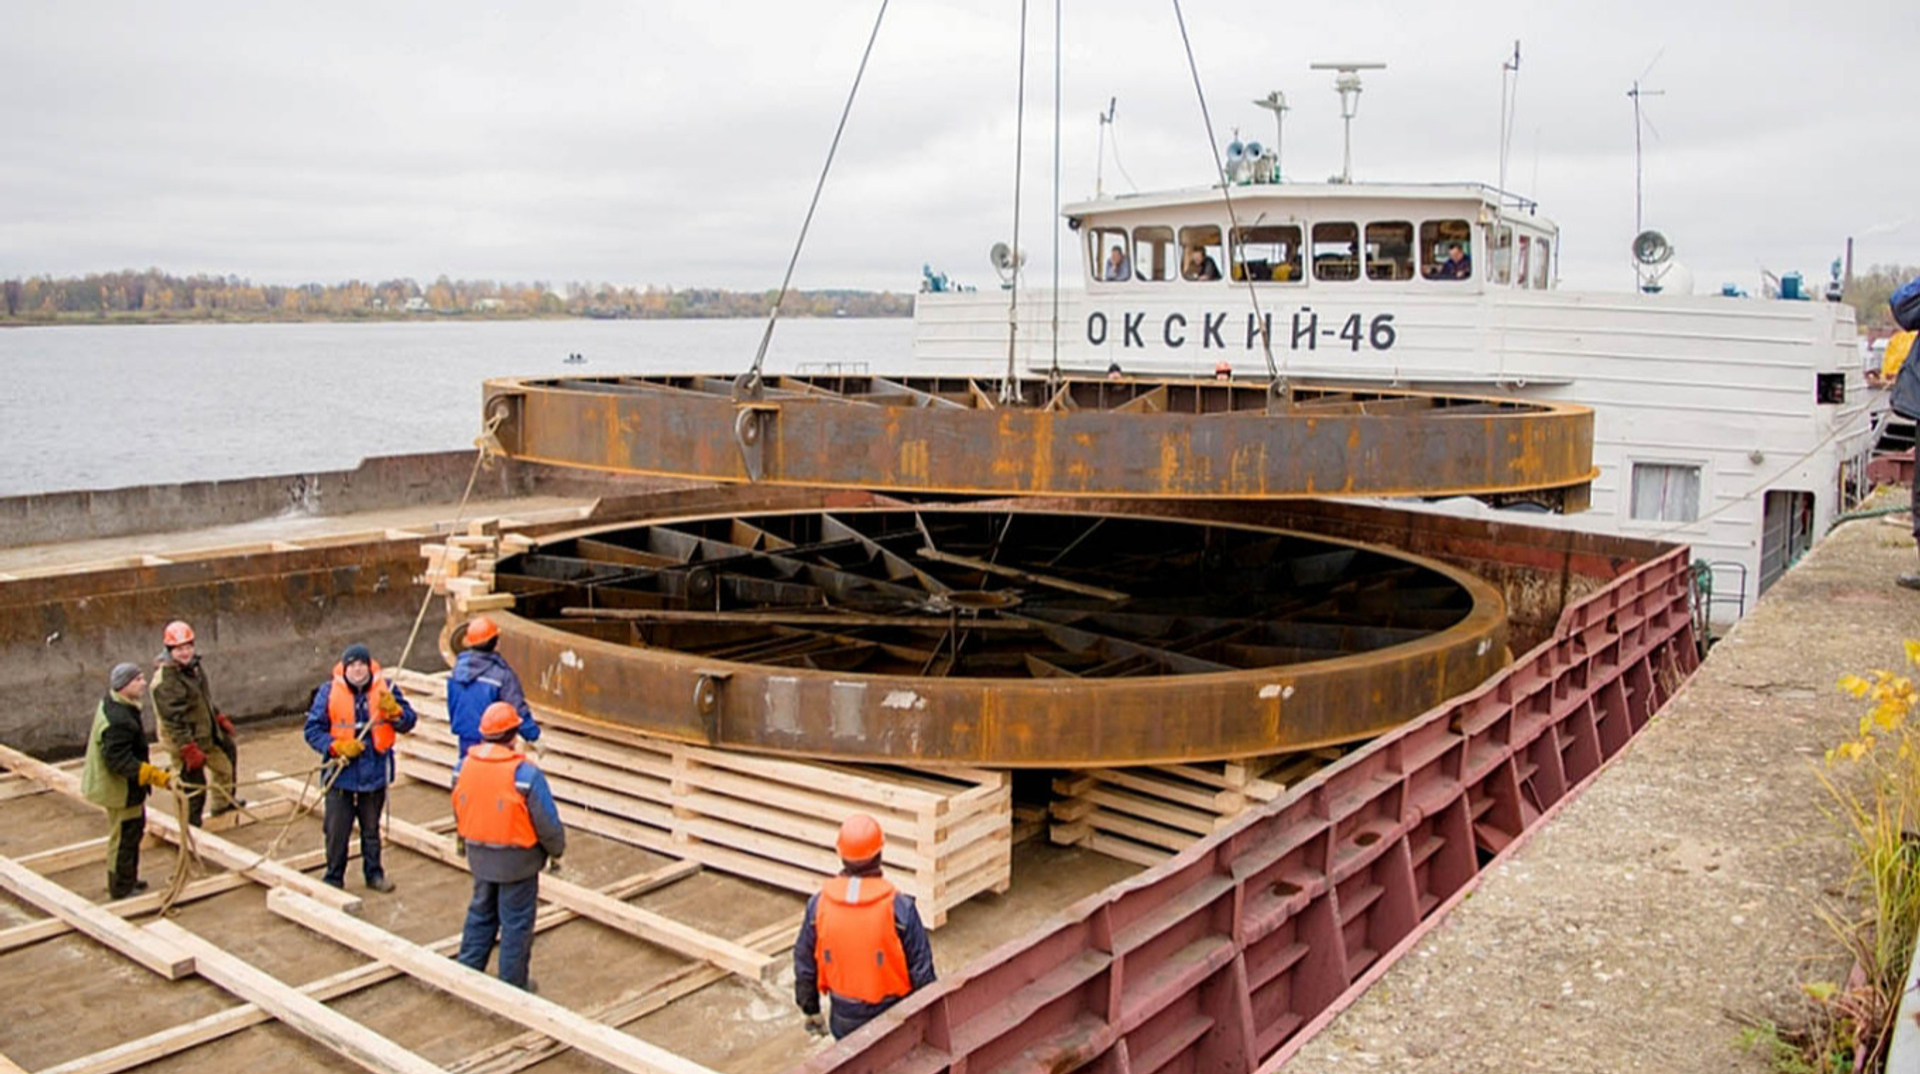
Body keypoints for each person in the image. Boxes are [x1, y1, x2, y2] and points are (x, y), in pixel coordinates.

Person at [454, 703, 566, 991]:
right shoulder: (525, 774)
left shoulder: (463, 766)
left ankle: (467, 972)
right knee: (516, 924)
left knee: (480, 913)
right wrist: (556, 850)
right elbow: (547, 822)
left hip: (480, 854)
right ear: (514, 735)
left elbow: (459, 804)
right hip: (518, 861)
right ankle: (512, 986)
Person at [793, 814, 936, 1040]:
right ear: (879, 853)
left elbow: (804, 963)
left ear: (840, 854)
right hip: (892, 1014)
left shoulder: (819, 905)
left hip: (843, 1014)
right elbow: (922, 972)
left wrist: (811, 1009)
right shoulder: (900, 907)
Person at [303, 643, 417, 892]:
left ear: (369, 666)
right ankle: (334, 876)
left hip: (374, 774)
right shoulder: (328, 692)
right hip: (340, 776)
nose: (357, 670)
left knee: (371, 830)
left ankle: (374, 874)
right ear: (345, 668)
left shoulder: (386, 689)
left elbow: (409, 721)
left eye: (361, 665)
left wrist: (396, 713)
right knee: (336, 831)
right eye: (352, 665)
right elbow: (312, 730)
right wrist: (336, 747)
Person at [81, 663, 171, 899]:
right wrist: (157, 776)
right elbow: (120, 762)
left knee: (132, 831)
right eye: (137, 680)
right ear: (123, 686)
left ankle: (127, 879)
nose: (143, 683)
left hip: (123, 787)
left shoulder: (116, 704)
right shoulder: (119, 719)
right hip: (120, 789)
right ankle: (120, 888)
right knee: (124, 837)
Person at [149, 620, 238, 827]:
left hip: (204, 732)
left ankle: (222, 806)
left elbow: (202, 699)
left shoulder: (193, 669)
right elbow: (173, 721)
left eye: (188, 647)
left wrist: (216, 716)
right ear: (169, 650)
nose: (185, 652)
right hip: (184, 741)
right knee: (193, 787)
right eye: (179, 649)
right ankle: (189, 827)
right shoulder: (166, 682)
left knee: (225, 764)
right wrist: (188, 748)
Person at [447, 616, 540, 760]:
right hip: (496, 740)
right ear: (495, 642)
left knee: (469, 775)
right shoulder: (501, 676)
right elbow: (517, 709)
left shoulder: (456, 673)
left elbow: (454, 708)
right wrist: (533, 736)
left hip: (466, 740)